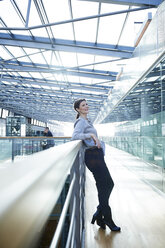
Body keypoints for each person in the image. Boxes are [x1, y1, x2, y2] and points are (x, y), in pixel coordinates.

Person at [71, 99, 120, 231]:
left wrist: (93, 137)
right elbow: (74, 136)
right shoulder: (80, 121)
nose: (86, 106)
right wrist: (91, 135)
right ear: (78, 109)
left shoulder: (87, 121)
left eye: (86, 104)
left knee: (106, 184)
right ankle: (107, 218)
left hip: (96, 155)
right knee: (107, 183)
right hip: (92, 156)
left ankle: (99, 213)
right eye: (83, 105)